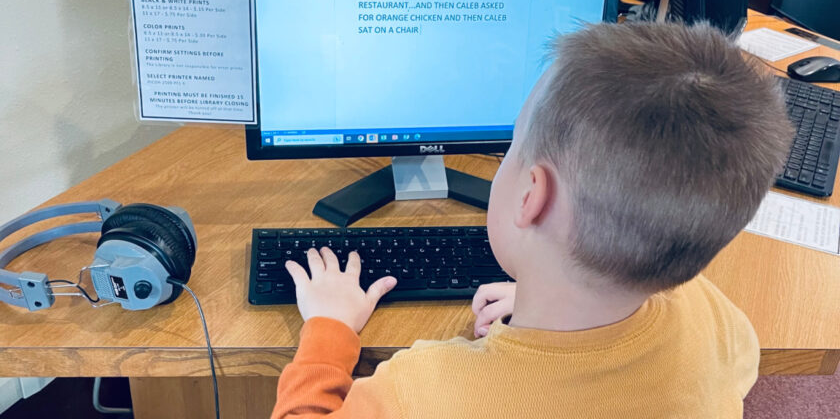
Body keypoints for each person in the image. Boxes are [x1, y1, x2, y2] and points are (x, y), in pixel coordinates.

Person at [271, 22, 792, 418]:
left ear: (531, 197)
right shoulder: (714, 318)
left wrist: (329, 329)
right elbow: (736, 368)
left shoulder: (419, 395)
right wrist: (552, 297)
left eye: (512, 148)